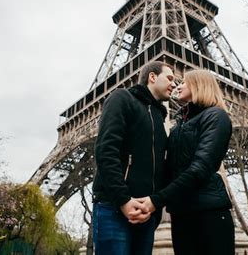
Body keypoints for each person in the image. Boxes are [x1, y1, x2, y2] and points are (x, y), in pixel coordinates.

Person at [139, 69, 234, 255]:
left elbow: (200, 169)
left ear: (199, 85)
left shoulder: (216, 116)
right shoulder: (177, 127)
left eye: (184, 82)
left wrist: (156, 201)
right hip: (181, 214)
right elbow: (168, 170)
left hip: (208, 214)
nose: (177, 85)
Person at [92, 61, 176, 255]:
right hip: (113, 208)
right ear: (152, 77)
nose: (174, 84)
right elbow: (106, 150)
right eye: (170, 78)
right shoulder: (122, 98)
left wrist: (153, 207)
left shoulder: (160, 118)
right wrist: (123, 200)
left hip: (146, 216)